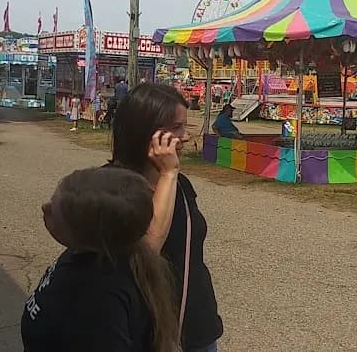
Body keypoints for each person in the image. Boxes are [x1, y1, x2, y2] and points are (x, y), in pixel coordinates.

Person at [110, 83, 223, 352]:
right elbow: (148, 248)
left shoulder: (180, 185)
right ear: (145, 131)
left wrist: (171, 177)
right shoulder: (115, 186)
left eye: (184, 126)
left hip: (197, 327)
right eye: (175, 128)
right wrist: (168, 174)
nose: (184, 136)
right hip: (150, 333)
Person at [21, 167, 180, 352]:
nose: (44, 208)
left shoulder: (99, 303)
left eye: (54, 212)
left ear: (85, 233)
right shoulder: (93, 254)